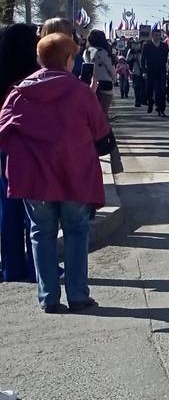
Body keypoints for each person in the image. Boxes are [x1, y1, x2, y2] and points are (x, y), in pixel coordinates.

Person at [0, 32, 110, 315]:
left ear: (39, 59)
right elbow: (100, 132)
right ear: (68, 59)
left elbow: (2, 134)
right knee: (76, 231)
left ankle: (48, 297)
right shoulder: (80, 92)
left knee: (40, 234)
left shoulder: (19, 92)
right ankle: (78, 295)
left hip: (33, 177)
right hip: (74, 173)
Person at [0, 24, 40, 285]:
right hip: (30, 149)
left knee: (7, 208)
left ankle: (11, 266)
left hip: (3, 149)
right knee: (34, 212)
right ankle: (38, 266)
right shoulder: (33, 77)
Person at [82, 30, 118, 117]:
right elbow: (111, 68)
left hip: (90, 83)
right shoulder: (104, 52)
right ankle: (104, 128)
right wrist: (114, 79)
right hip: (105, 83)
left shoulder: (86, 52)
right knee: (104, 111)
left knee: (92, 112)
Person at [139, 27, 169, 115]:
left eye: (159, 35)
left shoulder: (164, 46)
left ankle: (161, 109)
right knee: (149, 91)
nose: (158, 37)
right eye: (156, 35)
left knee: (162, 91)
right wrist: (144, 71)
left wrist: (167, 70)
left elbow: (167, 59)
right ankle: (150, 102)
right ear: (152, 36)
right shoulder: (147, 46)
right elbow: (143, 59)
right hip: (150, 71)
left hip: (161, 71)